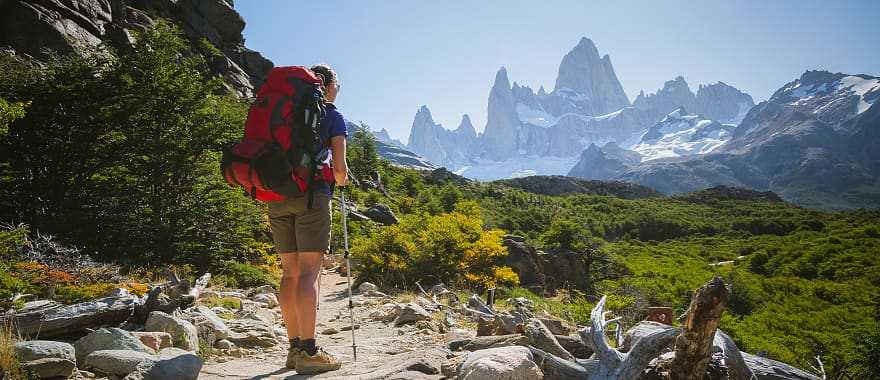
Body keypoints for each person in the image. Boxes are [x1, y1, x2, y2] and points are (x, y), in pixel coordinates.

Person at [268, 64, 348, 374]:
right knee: (309, 273)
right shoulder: (331, 114)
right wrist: (339, 179)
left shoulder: (283, 110)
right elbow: (339, 173)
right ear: (327, 85)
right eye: (336, 84)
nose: (338, 89)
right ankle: (310, 351)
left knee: (290, 273)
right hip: (311, 197)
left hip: (276, 197)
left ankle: (293, 349)